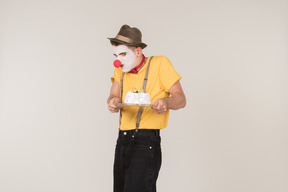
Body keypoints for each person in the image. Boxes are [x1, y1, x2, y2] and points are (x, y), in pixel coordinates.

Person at [107, 24, 186, 192]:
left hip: (145, 142)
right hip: (122, 140)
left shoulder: (160, 64)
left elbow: (181, 99)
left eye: (123, 54)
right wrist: (113, 101)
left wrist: (166, 102)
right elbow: (114, 94)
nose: (117, 60)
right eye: (115, 55)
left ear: (138, 51)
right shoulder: (120, 69)